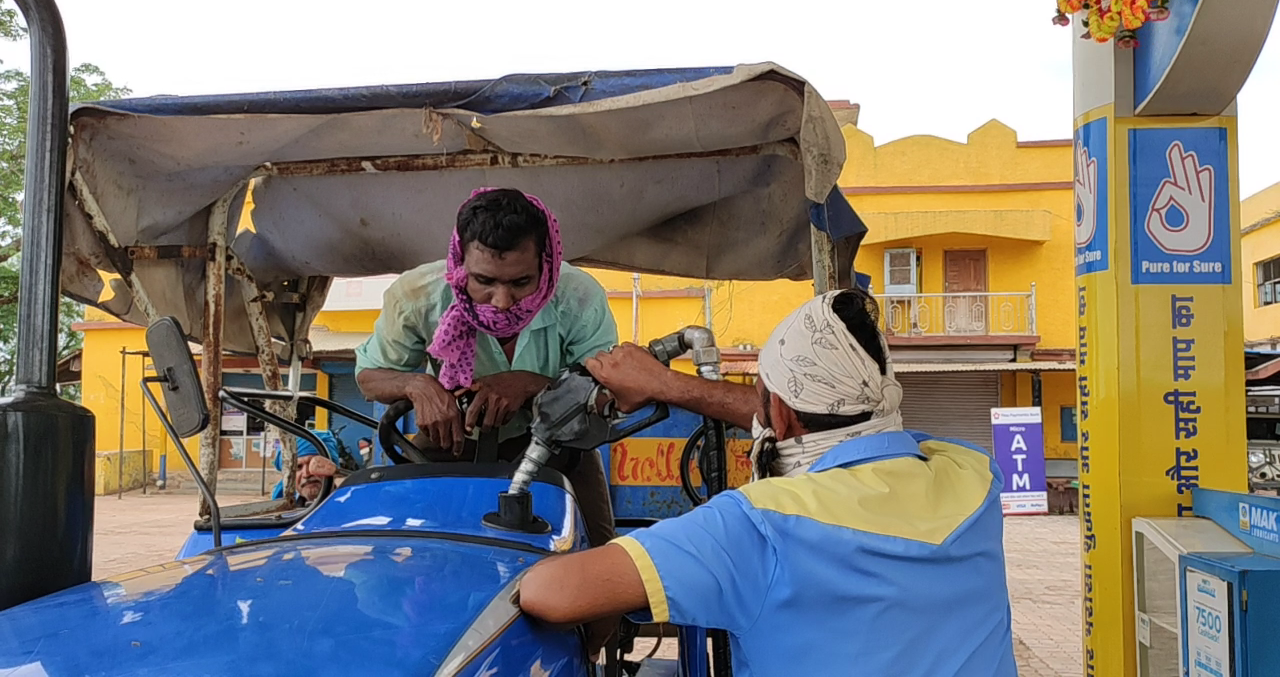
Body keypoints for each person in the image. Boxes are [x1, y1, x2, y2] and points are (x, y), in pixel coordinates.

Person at [519, 288, 1018, 676]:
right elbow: (820, 427)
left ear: (777, 413)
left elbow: (550, 593)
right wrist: (668, 385)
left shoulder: (756, 528)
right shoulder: (972, 476)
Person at [352, 186, 619, 547]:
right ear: (459, 264)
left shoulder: (580, 296)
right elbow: (369, 377)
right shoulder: (416, 295)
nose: (503, 302)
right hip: (449, 439)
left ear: (547, 261)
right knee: (399, 554)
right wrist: (417, 386)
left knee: (600, 559)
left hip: (560, 444)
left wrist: (530, 384)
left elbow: (607, 394)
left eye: (521, 282)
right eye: (484, 281)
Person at [271, 430, 341, 505]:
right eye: (298, 467)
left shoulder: (350, 504)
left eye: (315, 465)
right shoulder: (288, 511)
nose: (306, 474)